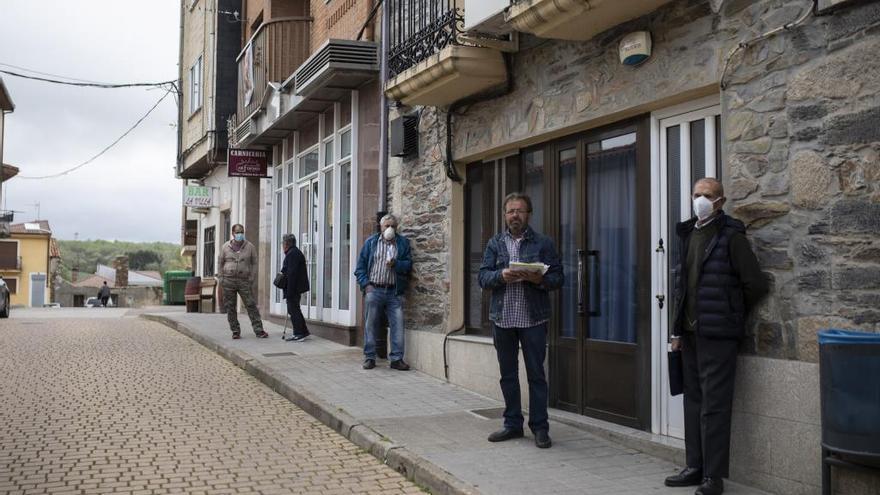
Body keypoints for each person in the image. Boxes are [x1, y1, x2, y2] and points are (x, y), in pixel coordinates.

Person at [665, 178, 768, 495]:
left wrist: (730, 314)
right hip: (690, 335)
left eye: (707, 195)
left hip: (718, 335)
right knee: (693, 403)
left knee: (715, 406)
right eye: (696, 195)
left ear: (720, 201)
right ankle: (694, 466)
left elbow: (756, 284)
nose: (700, 200)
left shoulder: (731, 235)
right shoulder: (687, 234)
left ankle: (714, 476)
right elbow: (681, 287)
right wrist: (675, 330)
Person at [479, 192, 564, 449]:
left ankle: (540, 427)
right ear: (505, 215)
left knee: (537, 375)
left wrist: (540, 280)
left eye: (520, 210)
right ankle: (512, 424)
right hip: (503, 318)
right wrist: (500, 276)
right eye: (510, 211)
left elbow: (559, 278)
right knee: (508, 375)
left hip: (533, 320)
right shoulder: (495, 244)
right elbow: (482, 278)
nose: (515, 215)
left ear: (529, 214)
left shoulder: (543, 243)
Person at [354, 214, 412, 371]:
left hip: (394, 291)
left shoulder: (402, 243)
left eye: (393, 226)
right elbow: (360, 268)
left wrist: (396, 264)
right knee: (370, 323)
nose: (390, 229)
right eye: (387, 226)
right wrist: (367, 286)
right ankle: (370, 357)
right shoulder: (371, 243)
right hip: (375, 289)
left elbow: (408, 266)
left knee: (398, 324)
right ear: (381, 227)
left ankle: (396, 359)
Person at [217, 224, 267, 340]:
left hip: (244, 280)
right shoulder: (225, 246)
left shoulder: (250, 246)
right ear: (233, 233)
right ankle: (235, 331)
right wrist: (221, 278)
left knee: (251, 305)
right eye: (238, 232)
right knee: (230, 307)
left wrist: (252, 276)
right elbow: (220, 263)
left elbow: (255, 262)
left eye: (242, 232)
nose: (240, 234)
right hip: (228, 280)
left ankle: (259, 330)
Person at [280, 234, 310, 342]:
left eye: (283, 243)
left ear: (287, 244)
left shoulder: (292, 254)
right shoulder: (294, 252)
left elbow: (292, 274)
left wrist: (289, 291)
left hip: (294, 288)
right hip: (295, 287)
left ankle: (299, 333)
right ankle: (303, 331)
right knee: (295, 309)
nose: (282, 245)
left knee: (293, 310)